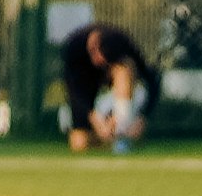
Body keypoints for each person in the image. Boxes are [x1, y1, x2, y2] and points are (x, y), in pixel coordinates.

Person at [60, 21, 158, 153]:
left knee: (124, 69)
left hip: (116, 98)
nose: (100, 63)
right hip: (88, 102)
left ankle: (122, 129)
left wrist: (143, 117)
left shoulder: (121, 43)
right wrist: (96, 121)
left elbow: (151, 79)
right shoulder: (74, 47)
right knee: (79, 143)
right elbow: (74, 93)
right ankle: (111, 138)